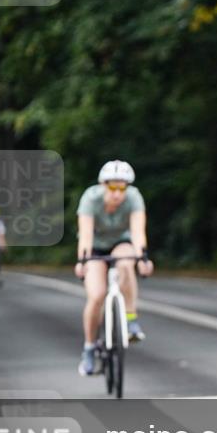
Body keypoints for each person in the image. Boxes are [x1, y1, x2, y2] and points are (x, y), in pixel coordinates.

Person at [73, 160, 154, 376]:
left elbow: (138, 232)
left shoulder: (134, 197)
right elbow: (86, 235)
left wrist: (143, 258)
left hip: (121, 243)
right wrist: (82, 261)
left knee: (127, 262)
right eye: (112, 187)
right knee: (97, 295)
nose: (117, 193)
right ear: (103, 185)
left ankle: (130, 320)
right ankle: (89, 348)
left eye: (122, 187)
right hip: (96, 249)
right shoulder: (90, 199)